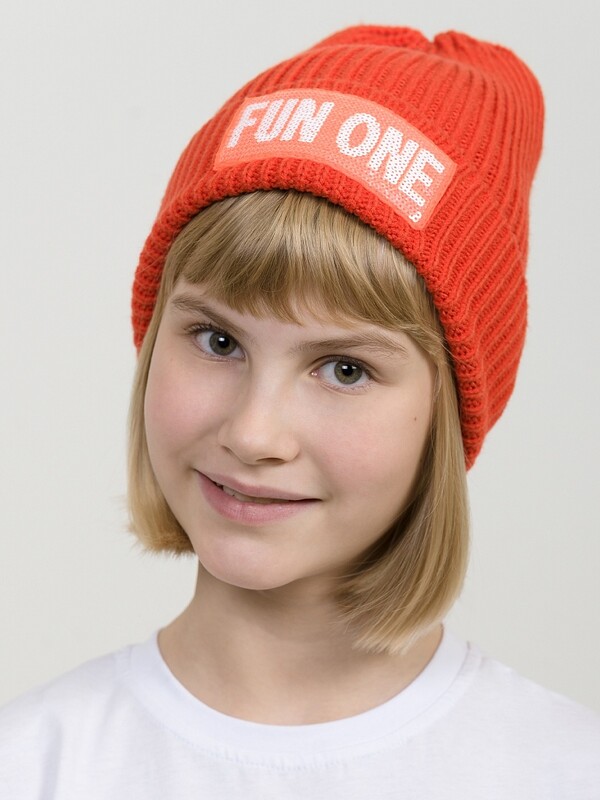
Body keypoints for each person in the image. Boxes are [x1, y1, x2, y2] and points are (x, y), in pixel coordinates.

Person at [1, 24, 599, 798]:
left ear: (446, 419)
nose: (254, 434)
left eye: (345, 369)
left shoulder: (562, 773)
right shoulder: (32, 765)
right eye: (218, 340)